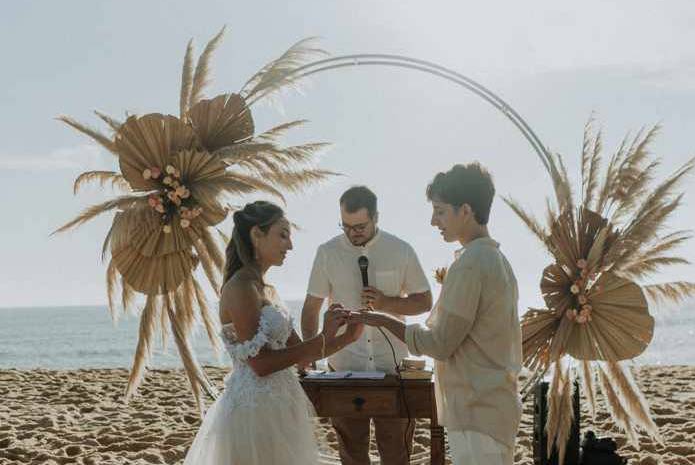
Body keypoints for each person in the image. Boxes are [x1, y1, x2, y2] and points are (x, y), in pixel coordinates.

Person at [349, 164, 522, 465]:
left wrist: (383, 320)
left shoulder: (470, 265)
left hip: (476, 411)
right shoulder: (497, 260)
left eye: (440, 211)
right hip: (494, 408)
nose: (433, 221)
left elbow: (441, 343)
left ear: (465, 210)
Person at [183, 201, 362, 465]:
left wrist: (347, 336)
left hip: (283, 407)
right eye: (283, 234)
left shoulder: (268, 291)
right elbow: (261, 364)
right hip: (254, 412)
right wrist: (324, 336)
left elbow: (303, 358)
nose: (290, 245)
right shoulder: (241, 287)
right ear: (257, 234)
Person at [301, 185, 432, 465]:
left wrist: (387, 303)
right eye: (346, 226)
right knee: (352, 454)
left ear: (376, 217)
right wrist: (309, 356)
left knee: (396, 453)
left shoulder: (401, 250)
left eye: (359, 226)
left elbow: (424, 302)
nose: (352, 233)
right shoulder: (327, 252)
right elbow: (311, 308)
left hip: (393, 367)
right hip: (344, 367)